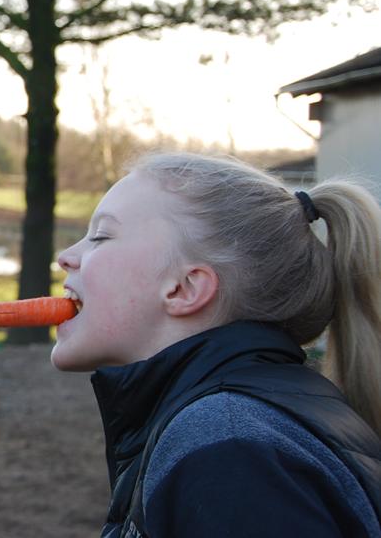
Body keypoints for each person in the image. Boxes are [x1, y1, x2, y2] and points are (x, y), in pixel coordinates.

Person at [52, 152, 381, 537]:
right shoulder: (239, 427)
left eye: (102, 236)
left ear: (184, 288)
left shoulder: (228, 449)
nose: (66, 257)